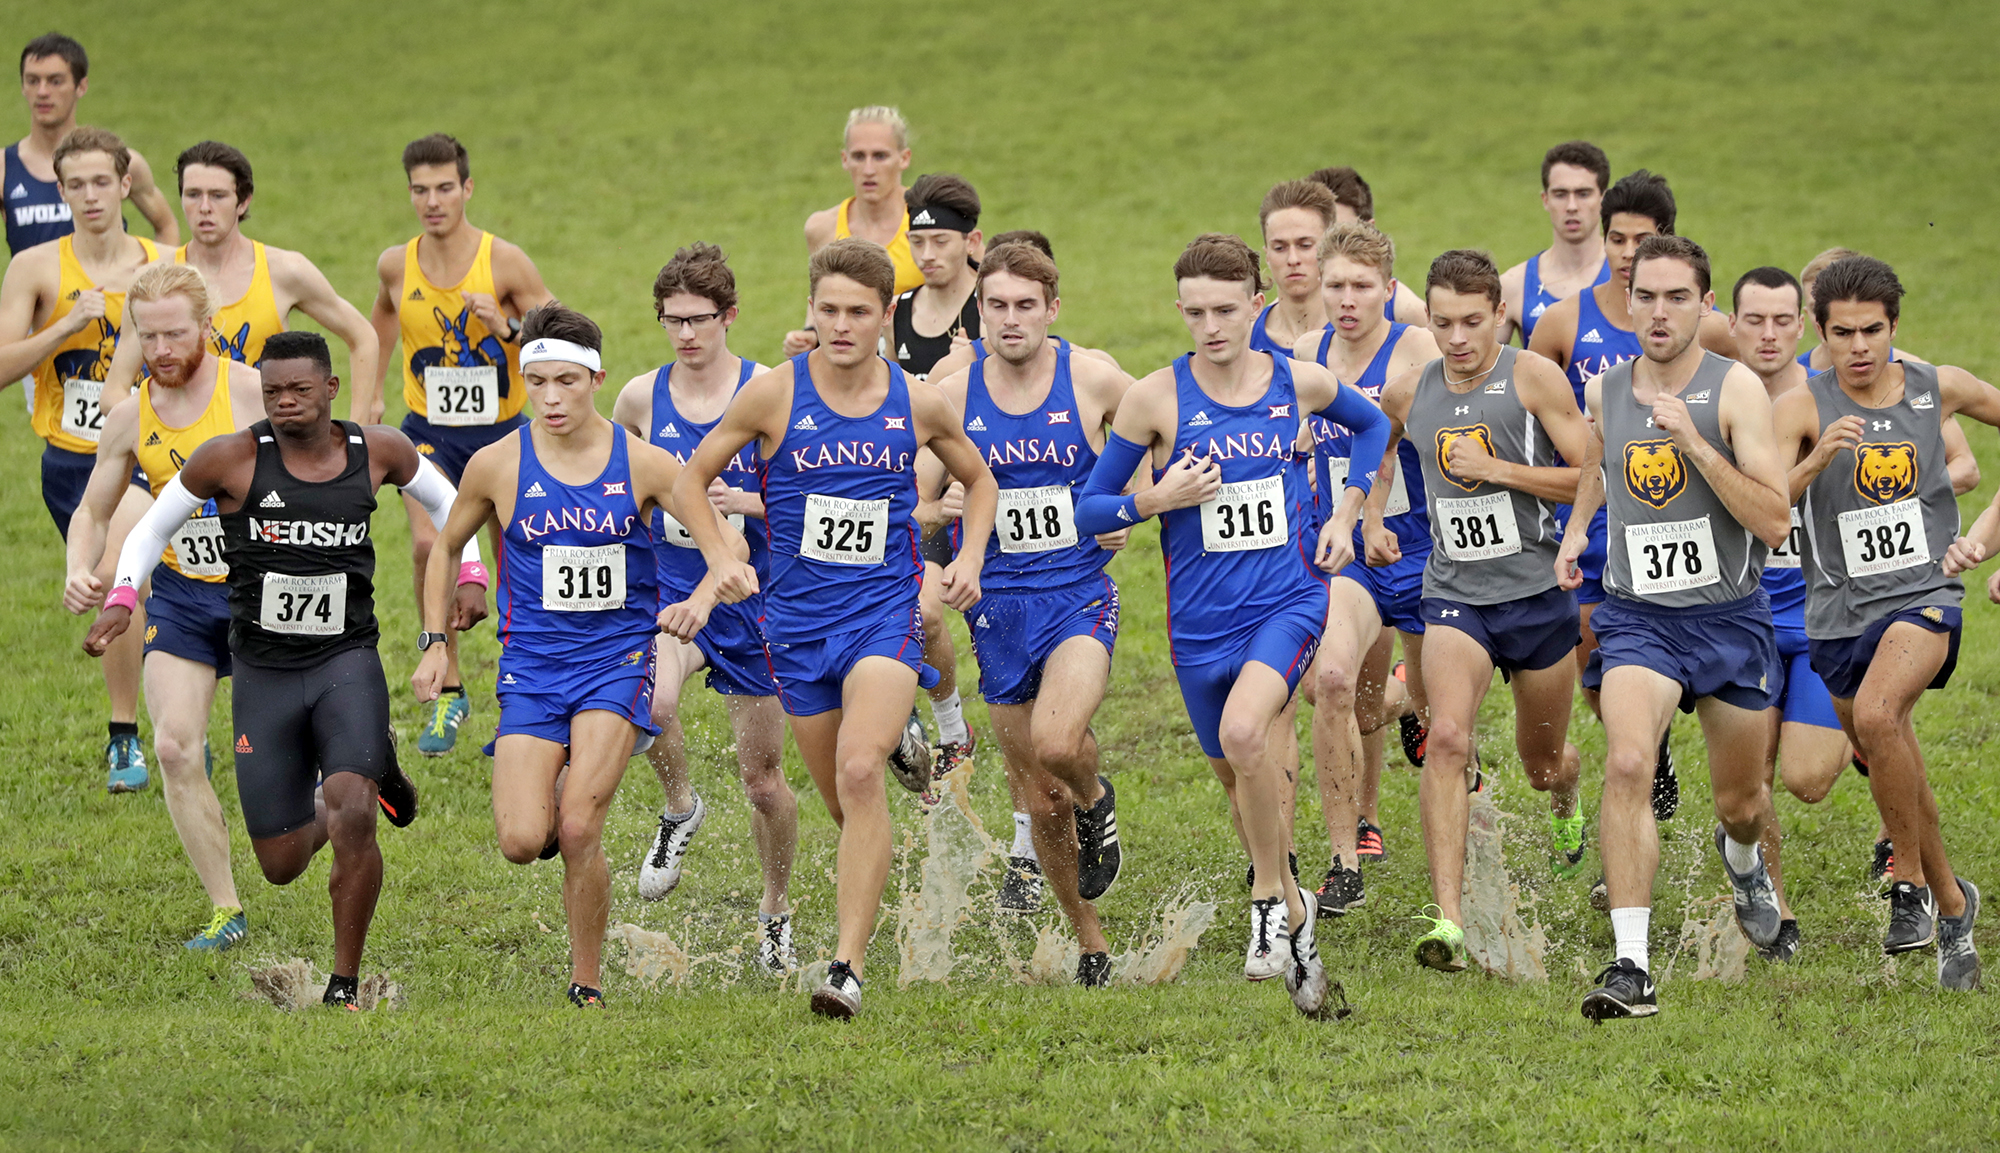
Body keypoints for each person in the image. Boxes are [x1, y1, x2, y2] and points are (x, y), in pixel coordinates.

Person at [83, 330, 480, 1008]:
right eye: (272, 392)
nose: (286, 401)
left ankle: (344, 981)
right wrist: (123, 596)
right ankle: (367, 765)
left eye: (300, 389)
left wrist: (469, 571)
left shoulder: (375, 449)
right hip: (263, 671)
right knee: (280, 861)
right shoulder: (231, 458)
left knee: (356, 812)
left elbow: (451, 502)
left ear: (330, 388)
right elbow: (151, 527)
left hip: (345, 659)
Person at [663, 238, 998, 1019]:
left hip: (882, 616)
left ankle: (845, 967)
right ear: (809, 309)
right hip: (796, 626)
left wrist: (971, 555)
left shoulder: (918, 401)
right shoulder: (772, 396)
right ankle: (902, 751)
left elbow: (979, 480)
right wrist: (718, 559)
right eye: (828, 310)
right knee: (852, 808)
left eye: (858, 312)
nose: (841, 325)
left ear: (887, 315)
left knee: (856, 770)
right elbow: (688, 479)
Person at [1073, 233, 1391, 1017]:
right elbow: (1088, 508)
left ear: (1257, 304)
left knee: (1252, 736)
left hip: (1288, 604)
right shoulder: (1155, 399)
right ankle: (1295, 909)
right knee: (1240, 776)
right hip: (1198, 631)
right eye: (1195, 311)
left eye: (1226, 308)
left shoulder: (1301, 382)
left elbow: (1375, 429)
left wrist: (1348, 510)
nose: (1212, 325)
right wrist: (1155, 500)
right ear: (1177, 310)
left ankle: (1266, 902)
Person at [417, 302, 732, 1007]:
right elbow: (443, 547)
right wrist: (438, 643)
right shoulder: (497, 464)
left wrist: (702, 602)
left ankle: (585, 981)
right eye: (538, 383)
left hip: (618, 660)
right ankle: (555, 793)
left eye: (567, 381)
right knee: (524, 840)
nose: (553, 398)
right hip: (532, 666)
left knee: (581, 826)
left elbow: (721, 550)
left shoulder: (644, 462)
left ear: (596, 377)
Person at [1557, 236, 1793, 1019]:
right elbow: (1599, 460)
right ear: (1627, 302)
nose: (1658, 313)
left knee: (1743, 801)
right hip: (1639, 618)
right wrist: (1574, 531)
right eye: (1645, 296)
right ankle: (1632, 966)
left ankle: (1743, 856)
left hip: (1729, 620)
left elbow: (1774, 522)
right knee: (1627, 760)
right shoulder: (1607, 389)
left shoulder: (1737, 393)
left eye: (1677, 298)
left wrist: (1695, 444)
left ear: (1706, 304)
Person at [1727, 267, 1980, 955]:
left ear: (1895, 327)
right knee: (1887, 740)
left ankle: (1909, 885)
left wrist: (1987, 537)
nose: (1860, 345)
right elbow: (1769, 509)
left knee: (1875, 715)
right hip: (1836, 615)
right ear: (1824, 332)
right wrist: (1816, 462)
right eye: (1844, 332)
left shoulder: (1938, 387)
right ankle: (1954, 901)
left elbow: (1973, 469)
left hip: (1923, 595)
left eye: (1873, 330)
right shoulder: (1803, 407)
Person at [1372, 250, 1588, 971]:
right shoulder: (1409, 389)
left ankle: (1568, 797)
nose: (1458, 337)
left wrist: (1498, 470)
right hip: (1454, 593)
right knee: (1450, 739)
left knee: (1540, 762)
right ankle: (1449, 919)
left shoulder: (1532, 376)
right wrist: (1371, 512)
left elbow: (1593, 472)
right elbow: (1378, 442)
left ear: (1500, 313)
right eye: (1442, 323)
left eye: (1472, 321)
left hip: (1534, 597)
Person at [921, 242, 1131, 976]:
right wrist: (938, 507)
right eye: (996, 306)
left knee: (1057, 740)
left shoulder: (1095, 379)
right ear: (980, 310)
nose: (1009, 320)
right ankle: (1090, 940)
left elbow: (1166, 434)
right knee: (1041, 802)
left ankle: (1097, 798)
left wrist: (1124, 509)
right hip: (996, 610)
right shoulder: (949, 394)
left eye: (1025, 305)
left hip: (1076, 594)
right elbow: (911, 503)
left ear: (1052, 309)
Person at [62, 262, 265, 950]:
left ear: (208, 327)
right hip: (181, 600)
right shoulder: (130, 416)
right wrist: (77, 567)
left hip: (265, 599)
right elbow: (93, 511)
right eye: (148, 337)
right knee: (177, 746)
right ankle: (226, 909)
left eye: (176, 334)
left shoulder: (252, 394)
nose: (163, 350)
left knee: (279, 768)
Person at [609, 244, 800, 972]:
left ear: (729, 316)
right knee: (652, 703)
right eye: (672, 321)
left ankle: (776, 908)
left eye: (699, 320)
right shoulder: (638, 398)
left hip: (752, 601)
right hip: (669, 592)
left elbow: (805, 502)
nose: (686, 335)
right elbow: (618, 490)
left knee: (763, 779)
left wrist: (742, 501)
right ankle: (681, 805)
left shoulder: (766, 392)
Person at [1530, 169, 1729, 825]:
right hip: (1593, 526)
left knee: (1648, 669)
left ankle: (1644, 762)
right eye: (1615, 238)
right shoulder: (1563, 323)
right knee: (1597, 673)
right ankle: (1651, 742)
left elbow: (1758, 408)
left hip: (1676, 524)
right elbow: (1534, 413)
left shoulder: (1712, 330)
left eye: (1639, 239)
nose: (1623, 252)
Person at [367, 133, 553, 756]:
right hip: (427, 437)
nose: (432, 200)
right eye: (420, 190)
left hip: (501, 439)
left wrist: (503, 325)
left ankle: (518, 704)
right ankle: (447, 691)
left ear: (467, 188)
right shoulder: (397, 263)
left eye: (445, 187)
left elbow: (561, 337)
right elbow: (383, 321)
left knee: (514, 569)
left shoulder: (504, 262)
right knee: (427, 544)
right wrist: (369, 396)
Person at [0, 126, 161, 791]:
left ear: (126, 185)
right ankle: (137, 730)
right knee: (130, 580)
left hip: (156, 456)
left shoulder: (163, 262)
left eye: (103, 181)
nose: (90, 195)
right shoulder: (35, 267)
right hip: (72, 461)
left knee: (135, 577)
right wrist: (65, 327)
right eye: (76, 185)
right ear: (59, 191)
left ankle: (151, 726)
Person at [1290, 222, 1441, 913]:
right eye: (1335, 286)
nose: (1346, 300)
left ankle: (1415, 698)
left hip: (1425, 548)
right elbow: (1297, 448)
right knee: (1330, 681)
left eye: (1361, 286)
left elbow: (1424, 450)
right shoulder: (1306, 352)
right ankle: (1344, 857)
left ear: (1388, 288)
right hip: (1347, 552)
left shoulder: (1420, 351)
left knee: (1441, 711)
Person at [98, 141, 380, 405]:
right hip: (182, 454)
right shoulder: (152, 282)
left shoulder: (283, 271)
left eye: (218, 196)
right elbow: (114, 391)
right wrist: (159, 424)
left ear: (243, 202)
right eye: (193, 195)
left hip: (263, 449)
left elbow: (363, 337)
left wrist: (359, 433)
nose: (205, 208)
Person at [893, 173, 982, 788]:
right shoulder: (896, 311)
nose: (928, 255)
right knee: (918, 618)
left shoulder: (996, 306)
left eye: (941, 241)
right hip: (912, 492)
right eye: (918, 242)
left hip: (979, 486)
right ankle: (943, 725)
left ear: (971, 241)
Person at [8, 33, 176, 255]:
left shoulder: (123, 162)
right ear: (22, 86)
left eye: (55, 81)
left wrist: (158, 282)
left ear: (81, 86)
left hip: (107, 290)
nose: (42, 92)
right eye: (32, 81)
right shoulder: (4, 167)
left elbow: (166, 226)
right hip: (36, 289)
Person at [782, 107, 922, 356]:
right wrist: (808, 336)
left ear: (904, 158)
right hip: (850, 369)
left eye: (880, 156)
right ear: (845, 159)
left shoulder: (932, 223)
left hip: (923, 368)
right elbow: (822, 297)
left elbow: (979, 293)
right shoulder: (822, 228)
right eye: (859, 156)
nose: (868, 169)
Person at [1499, 141, 1611, 346]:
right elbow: (1481, 371)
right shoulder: (1514, 285)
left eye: (1583, 194)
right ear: (1545, 200)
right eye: (1560, 194)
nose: (1571, 206)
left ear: (1603, 199)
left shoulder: (1629, 274)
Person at [1303, 167, 1425, 322]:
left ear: (1369, 229)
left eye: (1341, 233)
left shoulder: (1407, 311)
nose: (1328, 244)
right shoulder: (1283, 310)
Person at [1251, 180, 1337, 356]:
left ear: (1331, 249)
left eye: (1305, 245)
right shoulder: (1246, 338)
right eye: (1279, 248)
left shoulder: (1360, 332)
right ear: (1267, 255)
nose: (1293, 259)